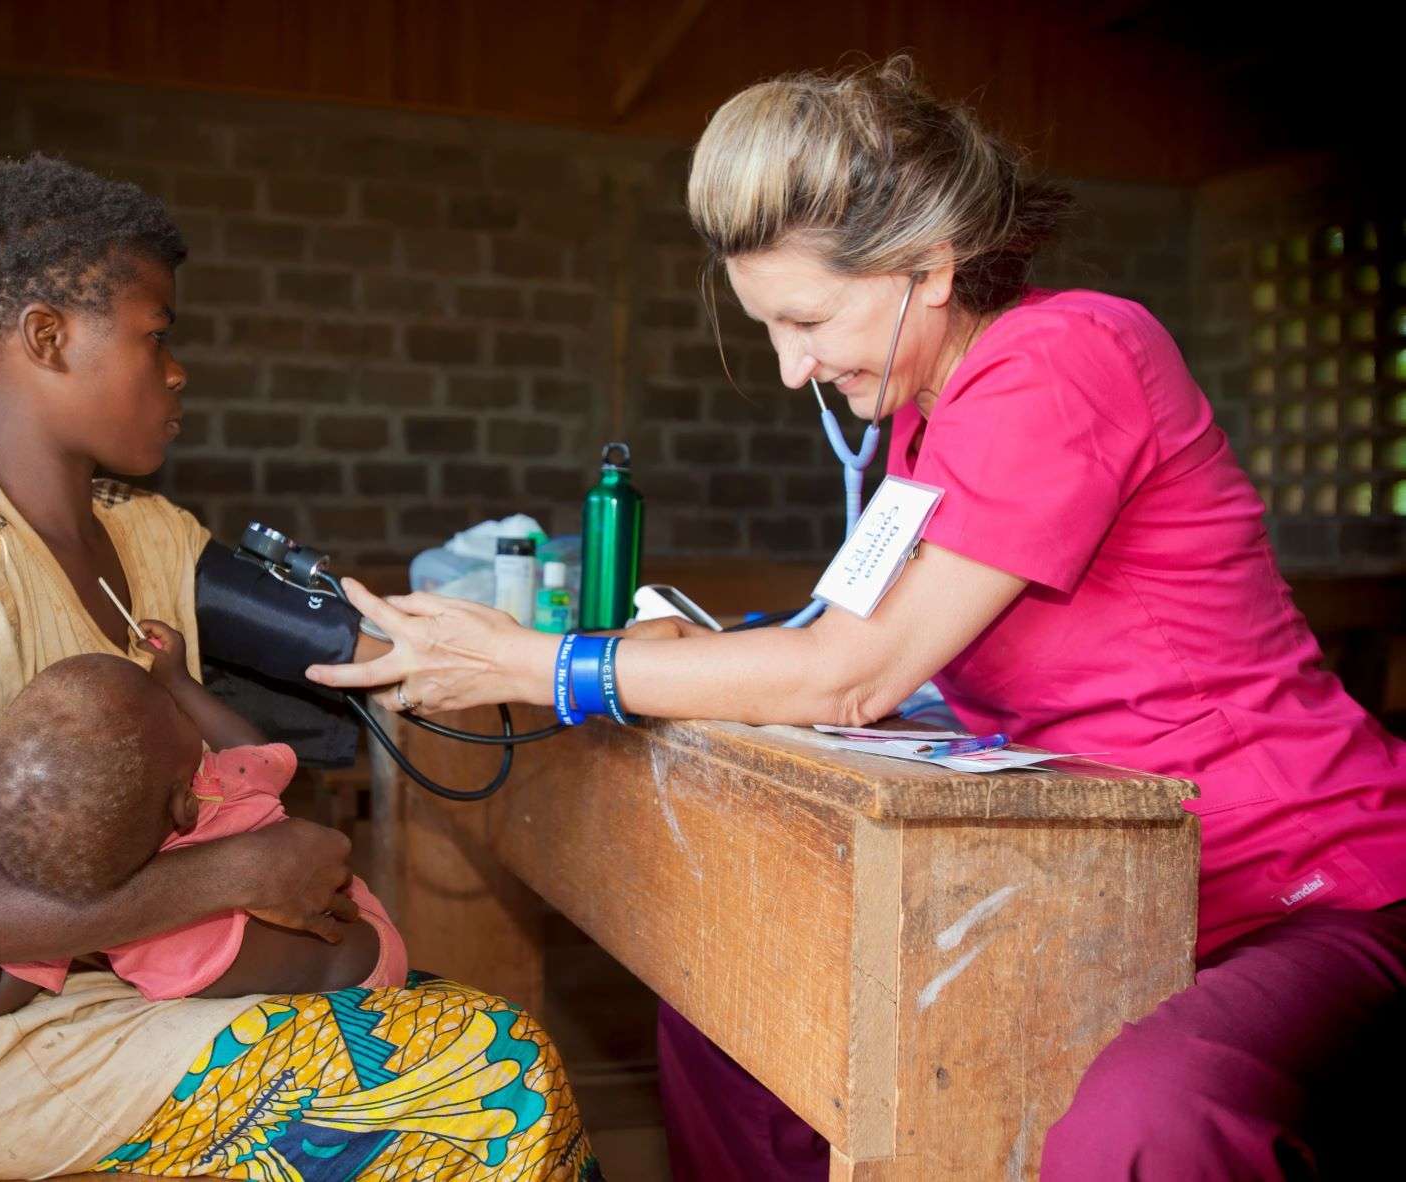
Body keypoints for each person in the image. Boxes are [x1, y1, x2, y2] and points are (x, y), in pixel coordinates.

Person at [306, 59, 1406, 1180]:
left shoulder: (1066, 359)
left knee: (1150, 1120)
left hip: (1300, 883)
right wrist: (695, 648)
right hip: (1099, 883)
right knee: (736, 1023)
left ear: (930, 268)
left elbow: (851, 674)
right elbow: (839, 627)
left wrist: (549, 665)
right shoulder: (929, 421)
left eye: (809, 319)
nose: (793, 370)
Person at [0, 154, 597, 1180]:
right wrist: (230, 871)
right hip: (17, 1066)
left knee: (491, 1036)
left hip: (154, 992)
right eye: (156, 336)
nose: (176, 368)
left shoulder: (138, 533)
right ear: (47, 338)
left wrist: (593, 664)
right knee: (497, 1074)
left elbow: (352, 638)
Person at [0, 620, 404, 1017]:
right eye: (172, 712)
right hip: (365, 963)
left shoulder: (83, 908)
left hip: (328, 987)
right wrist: (179, 682)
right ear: (184, 806)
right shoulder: (217, 792)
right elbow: (253, 746)